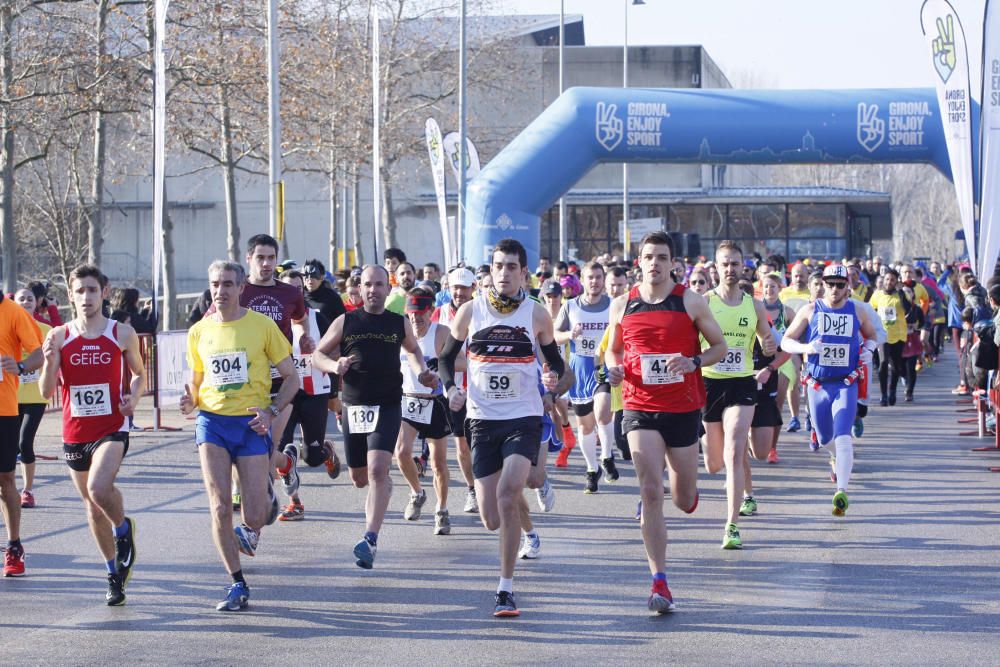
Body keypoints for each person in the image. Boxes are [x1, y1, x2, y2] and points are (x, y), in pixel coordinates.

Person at [438, 238, 564, 618]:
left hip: (522, 418)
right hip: (481, 420)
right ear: (490, 271)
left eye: (511, 266)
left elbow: (556, 363)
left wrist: (553, 377)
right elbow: (445, 359)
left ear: (523, 272)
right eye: (498, 266)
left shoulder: (537, 314)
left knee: (509, 493)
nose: (504, 273)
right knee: (492, 517)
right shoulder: (470, 312)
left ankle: (505, 590)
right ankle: (519, 520)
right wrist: (449, 389)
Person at [605, 231, 726, 613]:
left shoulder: (690, 301)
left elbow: (720, 347)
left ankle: (685, 491)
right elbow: (613, 350)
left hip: (683, 407)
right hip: (639, 406)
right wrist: (612, 370)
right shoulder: (622, 304)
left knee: (682, 497)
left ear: (673, 263)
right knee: (650, 491)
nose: (654, 263)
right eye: (648, 257)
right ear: (638, 262)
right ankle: (659, 582)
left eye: (661, 257)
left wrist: (693, 362)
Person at [181, 260, 298, 611]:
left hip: (251, 424)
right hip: (212, 422)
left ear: (241, 286)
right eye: (216, 284)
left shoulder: (261, 327)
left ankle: (263, 504)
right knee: (218, 505)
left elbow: (292, 378)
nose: (221, 291)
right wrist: (190, 398)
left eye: (228, 284)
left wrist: (272, 411)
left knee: (255, 515)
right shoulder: (199, 331)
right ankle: (237, 582)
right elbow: (197, 380)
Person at [312, 265, 437, 569]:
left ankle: (370, 538)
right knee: (358, 478)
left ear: (387, 287)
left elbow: (413, 351)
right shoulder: (346, 321)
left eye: (379, 285)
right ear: (361, 288)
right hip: (354, 406)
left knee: (378, 469)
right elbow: (318, 354)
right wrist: (334, 365)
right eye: (368, 285)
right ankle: (382, 486)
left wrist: (421, 371)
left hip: (388, 403)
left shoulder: (398, 322)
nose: (373, 290)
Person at [38, 264, 146, 604]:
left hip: (112, 427)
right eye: (80, 291)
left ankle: (123, 529)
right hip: (75, 430)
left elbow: (139, 375)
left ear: (104, 292)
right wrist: (49, 360)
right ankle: (113, 574)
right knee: (91, 505)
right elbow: (45, 391)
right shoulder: (58, 335)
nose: (86, 297)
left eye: (92, 290)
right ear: (70, 295)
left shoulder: (121, 333)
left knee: (100, 489)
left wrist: (134, 397)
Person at [781, 265, 878, 516]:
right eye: (830, 284)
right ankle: (836, 459)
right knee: (825, 439)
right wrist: (806, 348)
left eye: (840, 284)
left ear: (849, 286)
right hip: (817, 385)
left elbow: (872, 336)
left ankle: (841, 491)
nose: (835, 289)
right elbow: (785, 341)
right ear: (823, 284)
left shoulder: (857, 310)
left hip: (846, 382)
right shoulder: (810, 309)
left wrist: (868, 350)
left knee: (844, 436)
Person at [700, 240, 776, 550]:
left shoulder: (754, 304)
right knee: (714, 464)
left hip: (742, 382)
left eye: (735, 263)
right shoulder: (703, 302)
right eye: (725, 264)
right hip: (710, 383)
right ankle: (733, 455)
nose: (730, 269)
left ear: (743, 266)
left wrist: (768, 346)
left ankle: (731, 525)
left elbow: (767, 340)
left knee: (733, 451)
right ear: (715, 268)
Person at [274, 270, 341, 522]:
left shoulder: (318, 318)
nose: (293, 294)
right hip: (284, 393)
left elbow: (336, 351)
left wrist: (320, 359)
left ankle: (325, 449)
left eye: (297, 289)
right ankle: (295, 503)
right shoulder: (272, 320)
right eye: (288, 289)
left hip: (315, 392)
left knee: (311, 458)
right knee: (282, 450)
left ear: (302, 293)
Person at [554, 261, 616, 492]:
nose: (595, 282)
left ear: (604, 279)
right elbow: (554, 335)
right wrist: (570, 333)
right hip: (580, 368)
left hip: (604, 366)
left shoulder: (613, 306)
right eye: (590, 277)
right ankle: (592, 469)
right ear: (582, 280)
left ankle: (607, 456)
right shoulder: (570, 306)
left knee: (602, 412)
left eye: (599, 277)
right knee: (585, 426)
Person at [395, 287, 453, 534]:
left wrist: (438, 365)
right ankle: (417, 492)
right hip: (408, 400)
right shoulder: (401, 333)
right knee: (401, 452)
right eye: (411, 316)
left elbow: (461, 361)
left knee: (439, 464)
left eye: (420, 315)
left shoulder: (442, 333)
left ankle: (441, 509)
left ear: (430, 312)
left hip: (434, 402)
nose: (415, 321)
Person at [0, 288, 44, 578]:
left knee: (5, 480)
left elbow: (39, 354)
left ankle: (14, 545)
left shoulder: (13, 311)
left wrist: (19, 365)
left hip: (3, 409)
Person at [431, 267, 478, 513]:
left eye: (464, 288)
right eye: (455, 288)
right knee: (461, 446)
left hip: (482, 390)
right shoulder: (439, 314)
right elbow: (433, 347)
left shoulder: (481, 312)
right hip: (454, 390)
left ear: (473, 289)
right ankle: (472, 489)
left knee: (482, 442)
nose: (459, 293)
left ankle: (487, 485)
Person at [13, 289, 51, 508]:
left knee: (24, 441)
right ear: (13, 303)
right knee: (10, 446)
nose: (26, 301)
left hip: (36, 395)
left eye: (30, 298)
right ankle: (9, 488)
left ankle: (27, 491)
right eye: (21, 299)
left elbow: (54, 360)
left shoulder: (46, 330)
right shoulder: (6, 329)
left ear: (37, 303)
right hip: (10, 395)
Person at [870, 268, 912, 406]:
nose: (889, 282)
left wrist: (900, 292)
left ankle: (892, 390)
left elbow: (907, 309)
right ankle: (883, 395)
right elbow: (870, 310)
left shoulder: (901, 294)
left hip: (898, 335)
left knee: (896, 366)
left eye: (892, 280)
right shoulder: (877, 295)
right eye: (887, 279)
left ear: (896, 281)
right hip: (882, 335)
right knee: (882, 363)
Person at [301, 259, 347, 324]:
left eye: (314, 275)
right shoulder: (298, 297)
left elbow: (343, 322)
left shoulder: (332, 298)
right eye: (306, 275)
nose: (310, 279)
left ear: (322, 277)